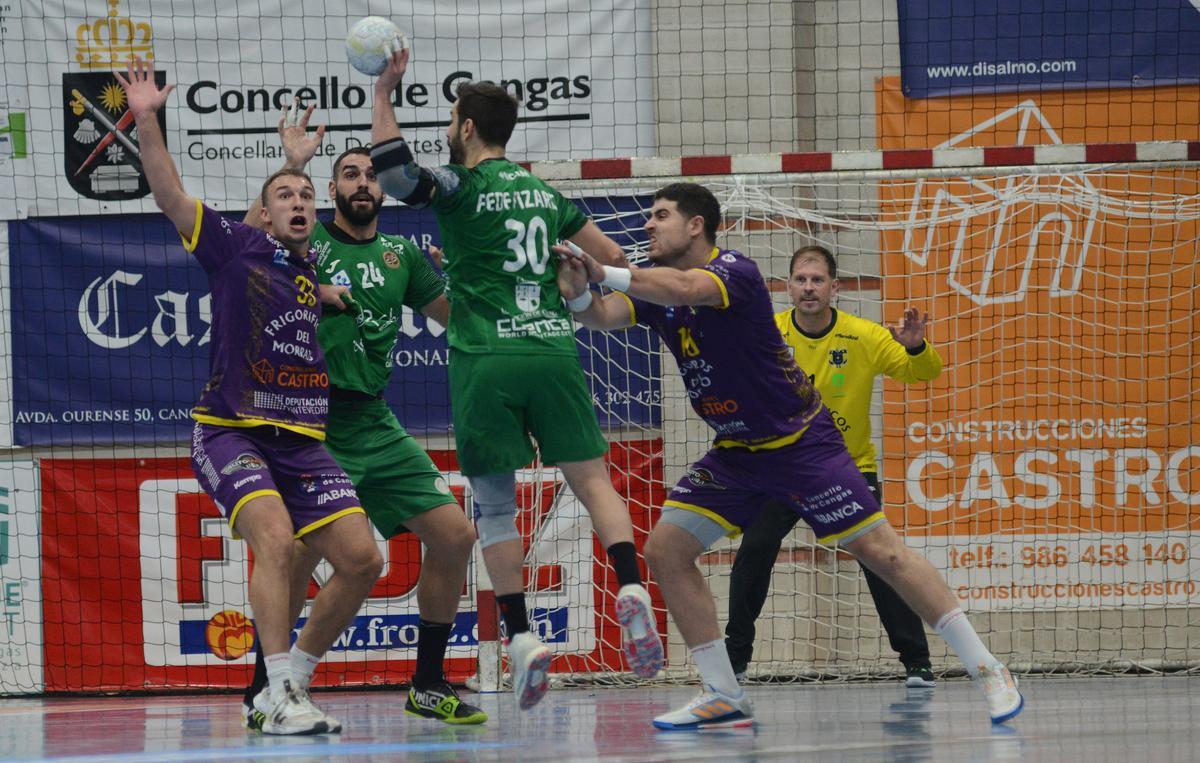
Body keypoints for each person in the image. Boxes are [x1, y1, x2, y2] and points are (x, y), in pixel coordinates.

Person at [556, 182, 1024, 729]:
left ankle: (989, 668)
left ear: (696, 226)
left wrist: (603, 270)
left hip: (802, 446)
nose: (647, 226)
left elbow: (684, 288)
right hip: (737, 455)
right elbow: (603, 317)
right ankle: (723, 692)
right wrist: (576, 293)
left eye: (660, 215)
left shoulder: (734, 271)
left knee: (884, 554)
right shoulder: (657, 292)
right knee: (665, 549)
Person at [368, 44, 663, 710]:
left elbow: (392, 175)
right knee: (592, 479)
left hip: (486, 357)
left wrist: (384, 93)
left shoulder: (460, 184)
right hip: (552, 348)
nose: (448, 130)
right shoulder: (543, 192)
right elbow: (613, 256)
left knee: (496, 506)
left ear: (466, 128)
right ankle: (632, 586)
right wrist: (575, 280)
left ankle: (524, 636)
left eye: (450, 120)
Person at [116, 58, 383, 735]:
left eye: (307, 196)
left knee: (361, 558)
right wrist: (147, 118)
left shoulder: (307, 263)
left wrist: (323, 287)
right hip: (230, 429)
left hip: (301, 440)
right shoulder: (235, 246)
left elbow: (303, 273)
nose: (300, 202)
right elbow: (171, 195)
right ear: (263, 213)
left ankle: (291, 682)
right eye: (285, 196)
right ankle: (276, 689)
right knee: (277, 540)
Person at [235, 103, 486, 727]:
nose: (363, 182)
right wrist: (291, 164)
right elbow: (241, 253)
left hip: (375, 421)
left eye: (372, 175)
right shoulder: (304, 236)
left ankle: (428, 682)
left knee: (455, 535)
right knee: (292, 558)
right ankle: (266, 688)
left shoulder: (404, 256)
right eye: (349, 174)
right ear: (333, 191)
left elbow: (461, 323)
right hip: (311, 423)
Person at [725, 245, 942, 688]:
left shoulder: (864, 335)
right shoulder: (767, 333)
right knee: (754, 551)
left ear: (834, 287)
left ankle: (917, 662)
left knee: (881, 560)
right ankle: (733, 661)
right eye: (801, 280)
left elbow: (924, 373)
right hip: (779, 468)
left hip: (845, 467)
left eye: (817, 280)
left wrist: (917, 347)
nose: (809, 288)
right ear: (788, 287)